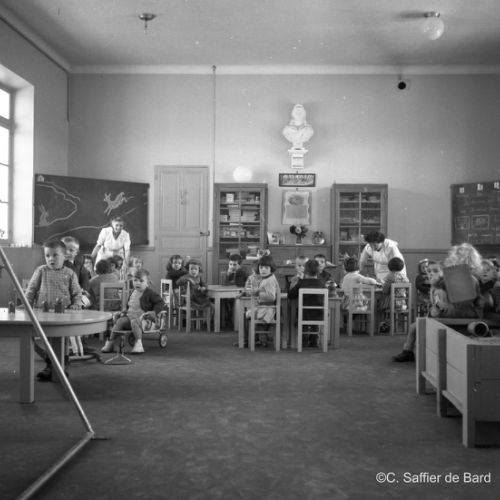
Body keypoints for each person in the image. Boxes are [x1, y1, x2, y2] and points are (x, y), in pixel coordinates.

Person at [24, 238, 83, 380]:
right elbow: (31, 289)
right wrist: (27, 303)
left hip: (64, 314)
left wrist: (76, 303)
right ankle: (50, 366)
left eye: (55, 255)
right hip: (44, 314)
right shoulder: (41, 271)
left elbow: (77, 292)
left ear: (65, 256)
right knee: (48, 341)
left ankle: (62, 366)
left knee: (63, 341)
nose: (51, 259)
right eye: (47, 255)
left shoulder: (70, 273)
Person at [101, 268, 163, 355]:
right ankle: (110, 343)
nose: (137, 283)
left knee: (134, 322)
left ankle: (139, 344)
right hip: (130, 317)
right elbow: (130, 305)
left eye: (141, 281)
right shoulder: (133, 292)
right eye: (135, 280)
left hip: (144, 319)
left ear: (147, 283)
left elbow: (160, 302)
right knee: (120, 321)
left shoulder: (150, 293)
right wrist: (125, 311)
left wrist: (154, 312)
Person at [243, 255, 280, 347]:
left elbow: (271, 297)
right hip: (266, 308)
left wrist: (258, 293)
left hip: (267, 309)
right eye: (261, 267)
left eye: (266, 268)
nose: (263, 270)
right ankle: (259, 339)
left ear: (271, 268)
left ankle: (247, 341)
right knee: (250, 314)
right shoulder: (268, 278)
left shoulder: (269, 280)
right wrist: (257, 291)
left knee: (246, 315)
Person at [288, 259, 325, 348]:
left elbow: (291, 295)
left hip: (304, 314)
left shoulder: (302, 283)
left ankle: (303, 342)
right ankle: (314, 342)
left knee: (304, 321)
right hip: (319, 314)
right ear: (318, 271)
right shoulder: (321, 284)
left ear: (305, 271)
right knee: (314, 322)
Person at [377, 257, 410, 333]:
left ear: (390, 267)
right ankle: (392, 324)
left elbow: (385, 289)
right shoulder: (405, 277)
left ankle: (383, 325)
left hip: (392, 303)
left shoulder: (390, 275)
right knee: (384, 303)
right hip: (403, 303)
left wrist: (382, 288)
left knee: (379, 306)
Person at [61, 236, 91, 305]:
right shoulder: (56, 264)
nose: (67, 252)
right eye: (64, 249)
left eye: (71, 250)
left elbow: (85, 280)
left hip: (76, 293)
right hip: (60, 293)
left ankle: (78, 305)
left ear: (76, 252)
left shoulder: (79, 265)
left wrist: (84, 290)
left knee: (86, 301)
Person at [222, 254, 248, 329]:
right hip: (229, 294)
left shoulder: (241, 272)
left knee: (230, 301)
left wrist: (234, 275)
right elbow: (224, 284)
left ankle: (233, 322)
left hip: (240, 294)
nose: (232, 266)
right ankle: (224, 321)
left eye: (234, 265)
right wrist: (227, 275)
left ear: (240, 265)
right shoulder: (229, 271)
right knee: (222, 300)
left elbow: (239, 285)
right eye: (230, 264)